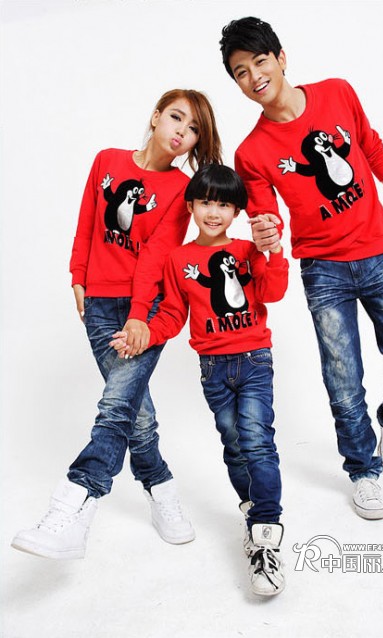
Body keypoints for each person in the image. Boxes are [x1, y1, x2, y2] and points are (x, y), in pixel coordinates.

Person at [219, 17, 383, 520]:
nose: (254, 77)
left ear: (281, 58)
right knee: (342, 377)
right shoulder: (252, 153)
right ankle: (362, 470)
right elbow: (265, 218)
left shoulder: (338, 92)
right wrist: (265, 235)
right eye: (241, 72)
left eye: (260, 62)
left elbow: (371, 147)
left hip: (378, 252)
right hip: (323, 269)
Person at [11, 89, 222, 559]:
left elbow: (156, 255)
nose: (181, 132)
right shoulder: (107, 160)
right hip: (99, 303)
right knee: (135, 411)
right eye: (176, 118)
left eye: (192, 130)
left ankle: (73, 505)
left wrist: (139, 316)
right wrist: (77, 275)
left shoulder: (179, 189)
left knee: (115, 406)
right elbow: (87, 222)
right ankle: (160, 486)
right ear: (156, 116)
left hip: (145, 309)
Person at [111, 164, 289, 596]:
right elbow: (173, 314)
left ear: (236, 211)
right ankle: (252, 511)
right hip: (212, 368)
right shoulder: (179, 260)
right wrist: (144, 332)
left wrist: (273, 252)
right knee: (234, 444)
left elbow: (273, 292)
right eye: (206, 202)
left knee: (257, 441)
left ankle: (267, 537)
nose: (214, 212)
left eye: (224, 205)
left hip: (254, 359)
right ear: (190, 206)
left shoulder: (247, 250)